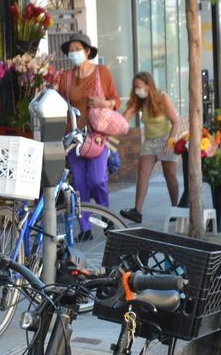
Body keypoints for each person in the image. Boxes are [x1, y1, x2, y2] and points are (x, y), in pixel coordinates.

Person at [51, 34, 120, 241]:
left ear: (87, 51)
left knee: (97, 180)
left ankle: (106, 215)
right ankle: (85, 227)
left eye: (77, 49)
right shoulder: (66, 77)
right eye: (70, 50)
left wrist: (104, 103)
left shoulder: (102, 72)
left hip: (97, 135)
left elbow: (116, 100)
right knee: (79, 184)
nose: (73, 53)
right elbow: (60, 104)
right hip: (74, 136)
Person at [124, 70, 181, 225]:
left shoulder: (162, 97)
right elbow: (125, 117)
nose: (137, 90)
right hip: (150, 142)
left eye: (139, 86)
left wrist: (170, 141)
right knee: (143, 172)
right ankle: (137, 211)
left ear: (148, 85)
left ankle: (175, 207)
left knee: (170, 175)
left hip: (166, 139)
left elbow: (176, 121)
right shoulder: (139, 101)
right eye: (135, 87)